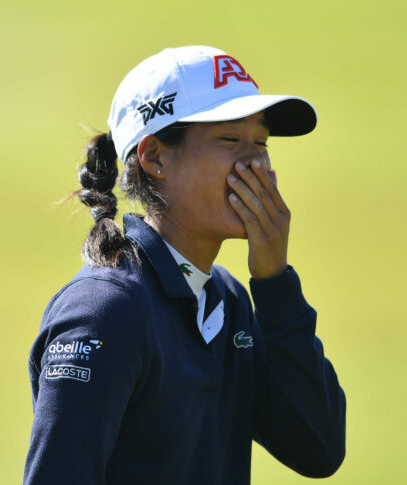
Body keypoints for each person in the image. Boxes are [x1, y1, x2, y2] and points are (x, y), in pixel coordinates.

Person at [23, 45, 346, 484]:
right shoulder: (104, 312)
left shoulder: (227, 302)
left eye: (262, 143)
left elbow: (318, 447)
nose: (258, 165)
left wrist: (274, 283)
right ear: (154, 156)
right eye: (230, 140)